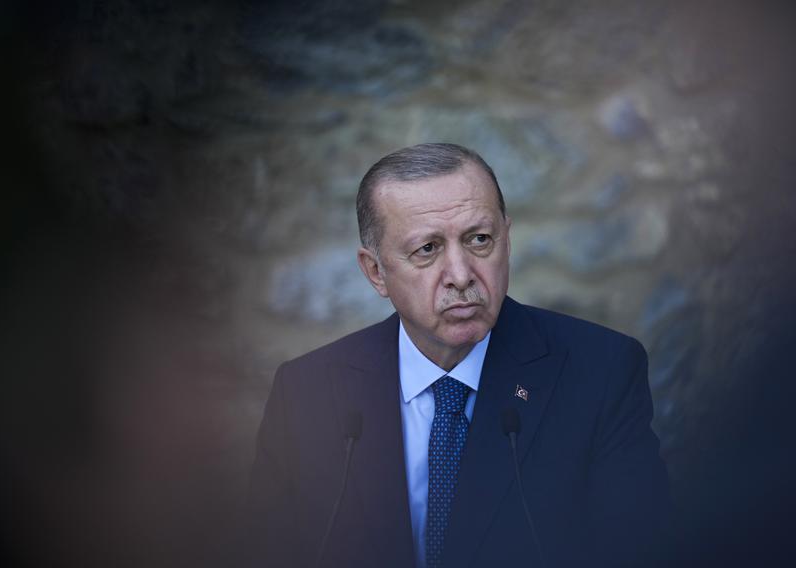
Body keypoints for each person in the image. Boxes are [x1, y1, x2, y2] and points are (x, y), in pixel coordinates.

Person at [246, 143, 670, 568]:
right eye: (427, 249)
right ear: (376, 272)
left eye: (479, 240)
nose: (462, 274)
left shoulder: (601, 372)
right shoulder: (307, 393)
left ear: (507, 239)